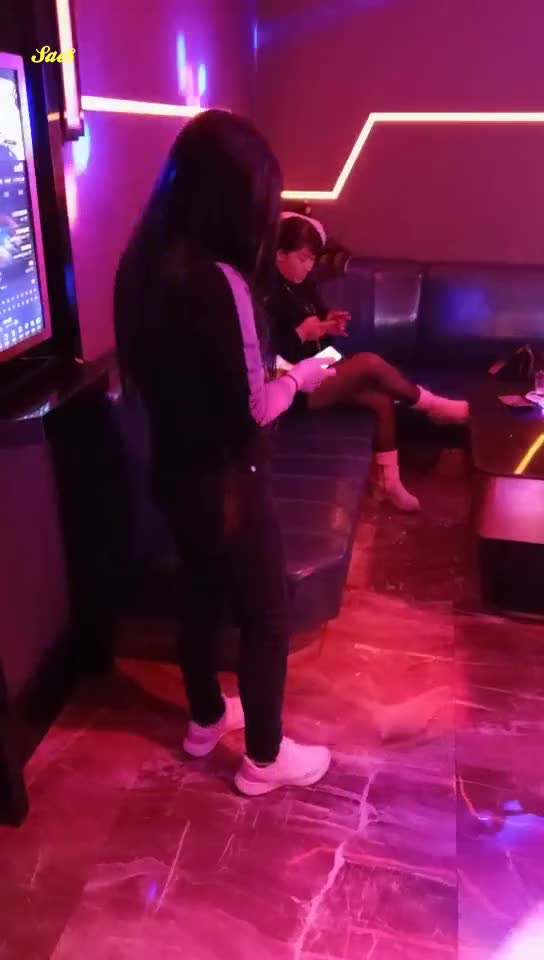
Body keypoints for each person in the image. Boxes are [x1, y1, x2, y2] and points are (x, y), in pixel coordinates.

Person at [114, 111, 336, 796]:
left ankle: (205, 718)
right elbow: (251, 409)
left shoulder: (140, 269)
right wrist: (300, 378)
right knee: (266, 614)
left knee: (200, 595)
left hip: (175, 473)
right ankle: (265, 760)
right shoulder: (221, 282)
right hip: (231, 481)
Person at [265, 214, 470, 512]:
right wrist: (300, 334)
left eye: (312, 261)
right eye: (303, 259)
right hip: (291, 386)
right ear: (279, 254)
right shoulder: (265, 294)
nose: (308, 267)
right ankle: (435, 406)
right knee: (370, 363)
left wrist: (329, 324)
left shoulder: (302, 285)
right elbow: (265, 358)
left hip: (318, 365)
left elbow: (318, 326)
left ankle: (389, 484)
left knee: (381, 401)